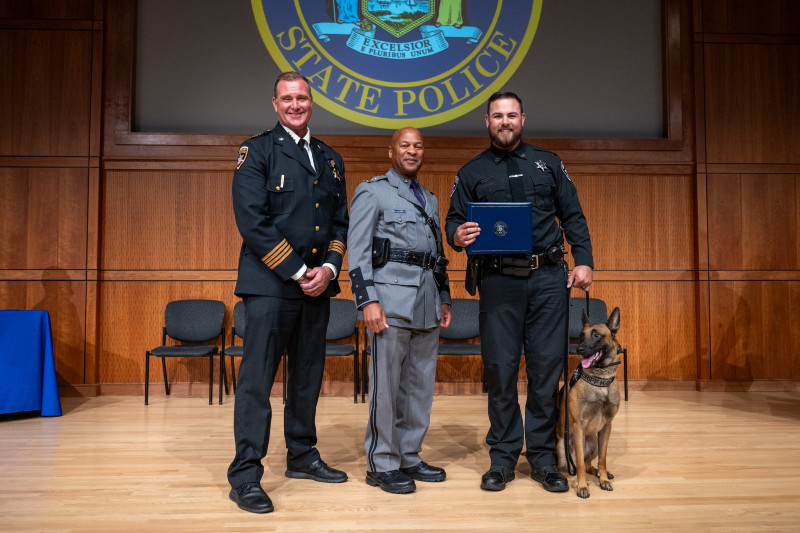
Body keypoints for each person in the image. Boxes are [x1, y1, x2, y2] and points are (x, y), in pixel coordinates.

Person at [445, 91, 593, 493]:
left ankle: (544, 458)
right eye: (497, 116)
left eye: (511, 115)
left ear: (523, 119)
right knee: (500, 369)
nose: (505, 122)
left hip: (548, 281)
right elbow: (453, 221)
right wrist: (457, 235)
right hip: (498, 283)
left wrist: (583, 260)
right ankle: (504, 457)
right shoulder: (472, 172)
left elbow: (573, 214)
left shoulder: (549, 163)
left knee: (546, 370)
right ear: (487, 121)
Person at [227, 71, 350, 513]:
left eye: (302, 98)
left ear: (311, 103)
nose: (295, 105)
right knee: (257, 383)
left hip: (316, 288)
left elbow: (339, 222)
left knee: (306, 379)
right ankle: (245, 475)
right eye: (287, 99)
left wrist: (330, 268)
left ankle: (301, 455)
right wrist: (300, 270)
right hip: (270, 287)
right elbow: (252, 221)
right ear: (274, 104)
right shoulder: (257, 151)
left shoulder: (330, 158)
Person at [347, 127, 453, 494]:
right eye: (404, 145)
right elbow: (357, 253)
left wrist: (445, 296)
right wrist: (367, 301)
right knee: (387, 388)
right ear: (390, 151)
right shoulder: (372, 191)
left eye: (418, 146)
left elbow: (437, 255)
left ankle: (409, 455)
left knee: (420, 387)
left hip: (426, 303)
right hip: (389, 304)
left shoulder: (430, 199)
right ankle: (382, 462)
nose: (412, 151)